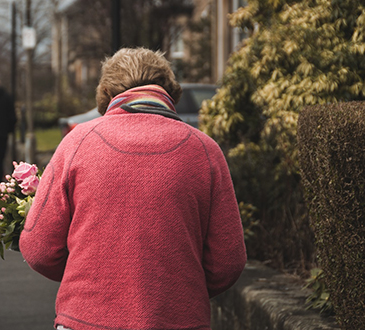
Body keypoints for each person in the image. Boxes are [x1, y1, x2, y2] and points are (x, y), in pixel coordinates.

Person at [19, 48, 247, 330]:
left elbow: (39, 249)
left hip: (86, 318)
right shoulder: (204, 150)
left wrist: (86, 272)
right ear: (169, 91)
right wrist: (179, 291)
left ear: (106, 92)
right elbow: (228, 262)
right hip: (179, 320)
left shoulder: (77, 144)